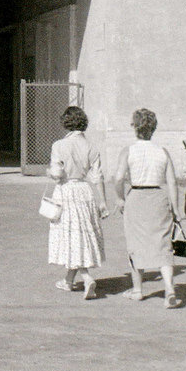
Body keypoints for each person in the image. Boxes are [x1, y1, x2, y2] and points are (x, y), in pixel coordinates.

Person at [114, 108, 183, 309]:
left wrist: (119, 198)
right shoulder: (162, 152)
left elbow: (118, 178)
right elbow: (172, 182)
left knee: (136, 244)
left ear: (135, 127)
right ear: (153, 128)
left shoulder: (128, 151)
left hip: (136, 197)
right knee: (163, 243)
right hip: (158, 198)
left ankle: (138, 290)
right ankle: (169, 289)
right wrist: (175, 207)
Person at [47, 105, 108, 300]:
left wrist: (50, 172)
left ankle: (87, 277)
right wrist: (103, 202)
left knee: (72, 236)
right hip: (84, 191)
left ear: (66, 123)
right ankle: (68, 281)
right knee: (80, 235)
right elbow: (97, 177)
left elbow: (57, 174)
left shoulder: (59, 145)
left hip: (66, 191)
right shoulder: (91, 146)